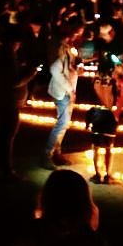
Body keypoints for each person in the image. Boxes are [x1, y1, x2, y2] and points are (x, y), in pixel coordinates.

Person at [0, 26, 39, 181]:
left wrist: (21, 68)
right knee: (8, 134)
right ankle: (6, 170)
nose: (19, 45)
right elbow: (13, 81)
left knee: (5, 134)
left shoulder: (3, 52)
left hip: (4, 99)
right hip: (8, 100)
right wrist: (30, 73)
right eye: (19, 42)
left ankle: (1, 166)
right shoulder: (7, 54)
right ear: (14, 41)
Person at [43, 23, 83, 170]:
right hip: (63, 92)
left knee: (64, 124)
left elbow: (67, 68)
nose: (76, 37)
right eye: (75, 34)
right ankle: (47, 154)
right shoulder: (60, 49)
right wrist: (70, 90)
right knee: (62, 123)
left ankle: (56, 153)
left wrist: (76, 71)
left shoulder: (67, 50)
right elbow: (55, 70)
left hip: (67, 91)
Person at [85, 105, 118, 184]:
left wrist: (87, 126)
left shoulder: (93, 110)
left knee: (95, 150)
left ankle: (97, 175)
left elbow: (88, 119)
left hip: (97, 130)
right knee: (108, 150)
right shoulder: (110, 111)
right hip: (110, 131)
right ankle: (107, 175)